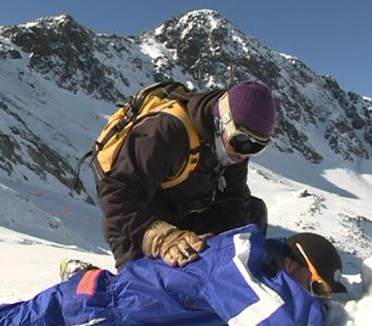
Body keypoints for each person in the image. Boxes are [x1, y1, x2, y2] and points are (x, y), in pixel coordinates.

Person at [0, 224, 347, 326]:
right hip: (89, 317)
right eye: (318, 287)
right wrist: (318, 311)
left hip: (99, 318)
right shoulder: (239, 261)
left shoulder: (256, 273)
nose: (316, 296)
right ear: (294, 263)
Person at [96, 80, 277, 269]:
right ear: (223, 120)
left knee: (253, 213)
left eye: (258, 146)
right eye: (241, 139)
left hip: (182, 210)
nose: (244, 152)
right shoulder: (167, 132)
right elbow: (116, 195)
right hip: (135, 219)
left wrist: (235, 254)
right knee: (149, 291)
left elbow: (234, 199)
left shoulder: (234, 149)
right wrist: (162, 238)